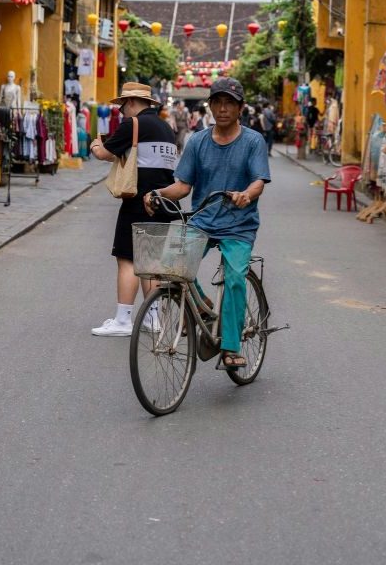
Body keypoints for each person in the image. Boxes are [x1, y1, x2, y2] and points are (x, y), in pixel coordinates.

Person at [145, 77, 270, 371]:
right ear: (210, 105)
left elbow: (259, 182)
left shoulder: (253, 141)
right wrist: (157, 193)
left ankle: (231, 347)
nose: (223, 108)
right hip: (203, 219)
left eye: (230, 103)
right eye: (218, 102)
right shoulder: (197, 141)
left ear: (240, 108)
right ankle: (202, 306)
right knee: (170, 263)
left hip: (239, 224)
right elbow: (183, 186)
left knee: (235, 276)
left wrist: (246, 194)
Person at [89, 82, 178, 337]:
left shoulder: (133, 124)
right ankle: (153, 318)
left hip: (138, 201)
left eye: (122, 107)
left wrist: (96, 145)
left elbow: (106, 153)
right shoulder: (166, 128)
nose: (121, 112)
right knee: (151, 261)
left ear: (130, 102)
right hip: (163, 201)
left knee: (127, 258)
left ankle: (123, 320)